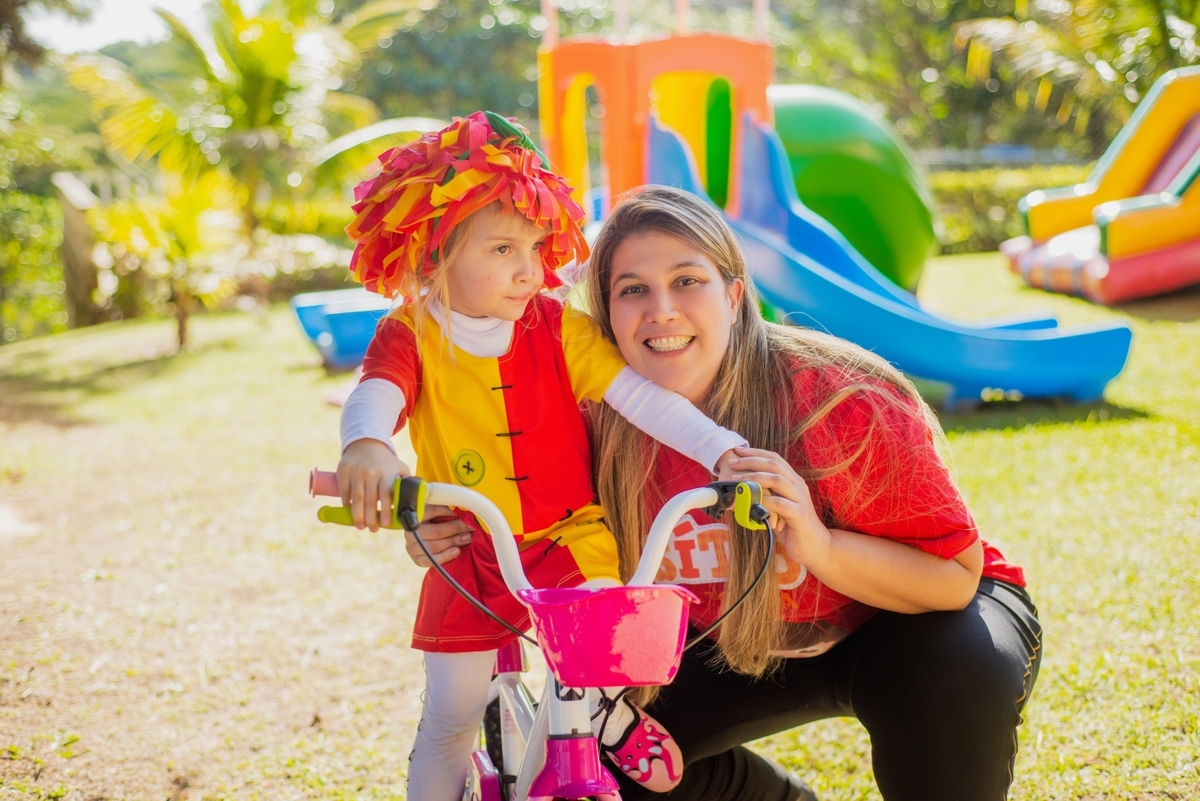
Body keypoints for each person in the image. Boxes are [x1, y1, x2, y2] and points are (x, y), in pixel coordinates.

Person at [409, 185, 1042, 801]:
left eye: (687, 280)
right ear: (606, 319)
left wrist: (816, 543)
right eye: (633, 290)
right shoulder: (587, 419)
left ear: (734, 296)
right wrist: (445, 534)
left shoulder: (840, 397)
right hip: (728, 639)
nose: (662, 309)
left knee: (951, 677)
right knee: (598, 754)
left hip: (907, 620)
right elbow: (517, 520)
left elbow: (954, 580)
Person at [335, 116, 747, 799]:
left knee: (603, 636)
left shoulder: (559, 327)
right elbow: (374, 395)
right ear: (434, 255)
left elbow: (643, 399)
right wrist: (368, 444)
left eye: (535, 245)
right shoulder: (411, 332)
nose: (531, 269)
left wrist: (722, 450)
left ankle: (604, 707)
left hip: (566, 534)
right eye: (502, 248)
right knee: (451, 715)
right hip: (469, 547)